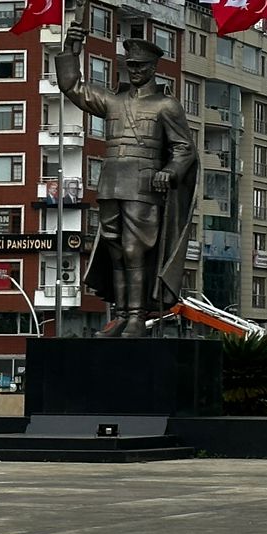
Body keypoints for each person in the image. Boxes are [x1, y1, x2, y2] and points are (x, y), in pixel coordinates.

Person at [54, 18, 196, 335]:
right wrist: (69, 50)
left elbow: (185, 148)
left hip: (144, 185)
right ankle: (120, 315)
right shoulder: (113, 101)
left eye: (141, 66)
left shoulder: (166, 105)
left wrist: (169, 171)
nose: (135, 70)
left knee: (135, 250)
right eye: (131, 65)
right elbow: (72, 87)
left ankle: (136, 316)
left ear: (153, 67)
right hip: (111, 183)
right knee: (115, 250)